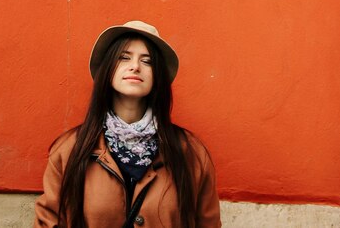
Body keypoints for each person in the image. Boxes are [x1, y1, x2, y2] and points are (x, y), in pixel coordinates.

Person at [33, 20, 221, 228]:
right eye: (124, 57)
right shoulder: (69, 150)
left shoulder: (191, 153)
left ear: (158, 75)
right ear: (108, 69)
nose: (135, 66)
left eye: (147, 61)